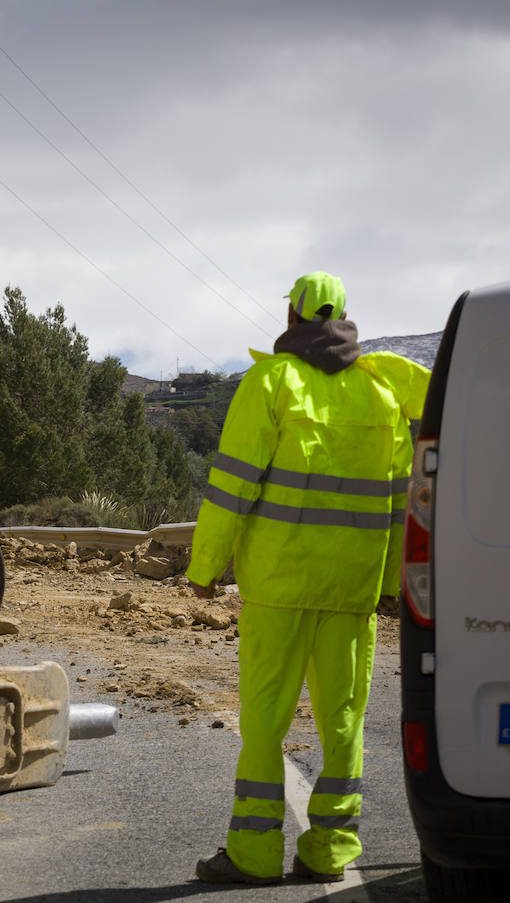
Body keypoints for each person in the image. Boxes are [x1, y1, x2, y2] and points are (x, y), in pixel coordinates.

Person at [187, 271, 430, 885]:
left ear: (292, 317)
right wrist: (387, 586)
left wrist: (205, 566)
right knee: (344, 721)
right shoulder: (380, 393)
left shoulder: (271, 381)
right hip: (351, 592)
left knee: (265, 719)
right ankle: (329, 852)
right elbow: (402, 500)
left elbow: (232, 485)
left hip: (277, 586)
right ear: (344, 318)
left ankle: (254, 854)